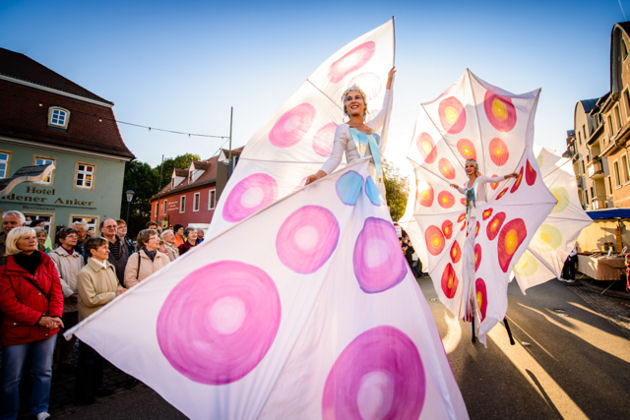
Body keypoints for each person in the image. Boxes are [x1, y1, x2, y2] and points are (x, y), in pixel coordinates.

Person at [0, 226, 64, 420]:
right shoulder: (5, 267)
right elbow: (8, 303)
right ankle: (9, 413)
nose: (32, 240)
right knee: (12, 378)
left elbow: (56, 291)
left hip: (48, 328)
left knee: (43, 371)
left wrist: (55, 315)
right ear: (15, 242)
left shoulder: (46, 261)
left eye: (34, 237)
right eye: (26, 238)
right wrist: (39, 319)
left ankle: (40, 408)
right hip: (17, 330)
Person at [449, 159, 517, 318]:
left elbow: (496, 179)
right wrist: (457, 187)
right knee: (468, 245)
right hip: (471, 217)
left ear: (476, 168)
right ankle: (473, 275)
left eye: (471, 166)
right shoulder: (466, 183)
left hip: (482, 214)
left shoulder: (481, 179)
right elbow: (464, 191)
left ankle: (486, 266)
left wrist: (509, 176)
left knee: (482, 244)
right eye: (466, 166)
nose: (468, 168)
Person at [305, 67, 396, 186]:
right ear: (346, 107)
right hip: (355, 182)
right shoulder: (343, 129)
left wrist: (389, 84)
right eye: (349, 99)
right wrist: (318, 175)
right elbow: (335, 158)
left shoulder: (371, 127)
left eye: (357, 97)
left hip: (375, 183)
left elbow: (386, 110)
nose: (353, 101)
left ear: (364, 105)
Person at [76, 237, 126, 404]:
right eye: (104, 248)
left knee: (99, 358)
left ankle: (98, 386)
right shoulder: (85, 273)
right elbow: (90, 299)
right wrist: (114, 295)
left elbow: (116, 285)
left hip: (106, 319)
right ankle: (84, 393)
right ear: (93, 251)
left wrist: (121, 291)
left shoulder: (109, 268)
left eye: (107, 247)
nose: (108, 250)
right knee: (87, 360)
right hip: (91, 321)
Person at [49, 227, 84, 370]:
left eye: (75, 236)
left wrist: (80, 293)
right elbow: (56, 277)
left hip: (77, 301)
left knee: (72, 333)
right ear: (61, 239)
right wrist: (69, 293)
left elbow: (83, 276)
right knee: (58, 335)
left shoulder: (79, 257)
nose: (74, 238)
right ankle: (55, 362)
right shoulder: (54, 256)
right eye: (70, 236)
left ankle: (66, 360)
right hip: (62, 300)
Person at [99, 218, 129, 286]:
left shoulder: (123, 244)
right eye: (109, 226)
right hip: (105, 283)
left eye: (114, 226)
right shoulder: (97, 245)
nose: (112, 228)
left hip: (123, 283)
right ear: (102, 229)